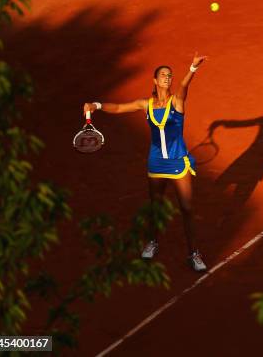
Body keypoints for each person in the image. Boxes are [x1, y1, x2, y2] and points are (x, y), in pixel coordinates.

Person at [82, 52, 208, 272]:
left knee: (186, 209)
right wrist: (97, 105)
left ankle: (193, 254)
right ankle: (154, 242)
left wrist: (192, 69)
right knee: (155, 207)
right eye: (163, 75)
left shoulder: (176, 102)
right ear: (155, 80)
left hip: (178, 163)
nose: (167, 78)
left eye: (170, 75)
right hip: (156, 164)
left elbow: (184, 88)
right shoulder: (146, 104)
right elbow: (121, 108)